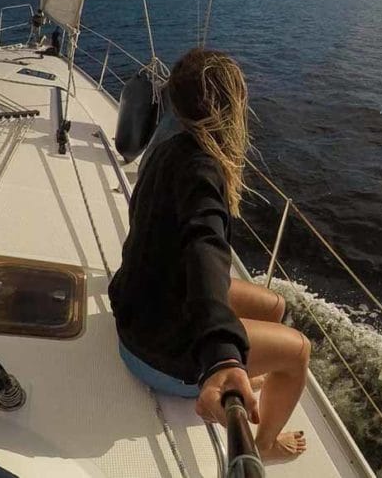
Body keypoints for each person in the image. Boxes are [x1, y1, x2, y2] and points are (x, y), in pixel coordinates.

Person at [109, 48, 309, 460]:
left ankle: (248, 373)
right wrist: (220, 358)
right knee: (299, 351)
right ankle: (266, 442)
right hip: (158, 353)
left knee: (274, 305)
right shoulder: (203, 170)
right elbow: (204, 247)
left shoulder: (166, 149)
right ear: (230, 109)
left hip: (142, 308)